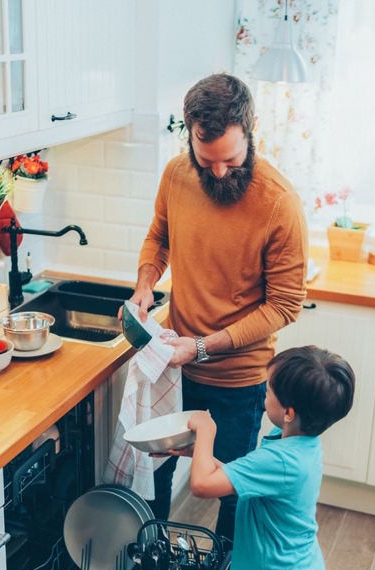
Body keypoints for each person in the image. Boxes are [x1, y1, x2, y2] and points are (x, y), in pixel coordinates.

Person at [126, 73, 308, 541]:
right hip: (177, 371)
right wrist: (146, 282)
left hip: (237, 383)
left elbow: (285, 306)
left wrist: (203, 348)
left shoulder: (279, 203)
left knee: (231, 494)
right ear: (189, 136)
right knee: (155, 477)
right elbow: (158, 237)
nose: (220, 172)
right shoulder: (176, 175)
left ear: (251, 132)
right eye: (207, 161)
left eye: (230, 158)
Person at [171, 346, 356, 570]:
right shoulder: (301, 444)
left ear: (288, 413)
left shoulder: (279, 460)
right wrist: (198, 453)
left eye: (268, 391)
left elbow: (201, 485)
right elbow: (243, 478)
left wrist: (206, 428)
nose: (263, 397)